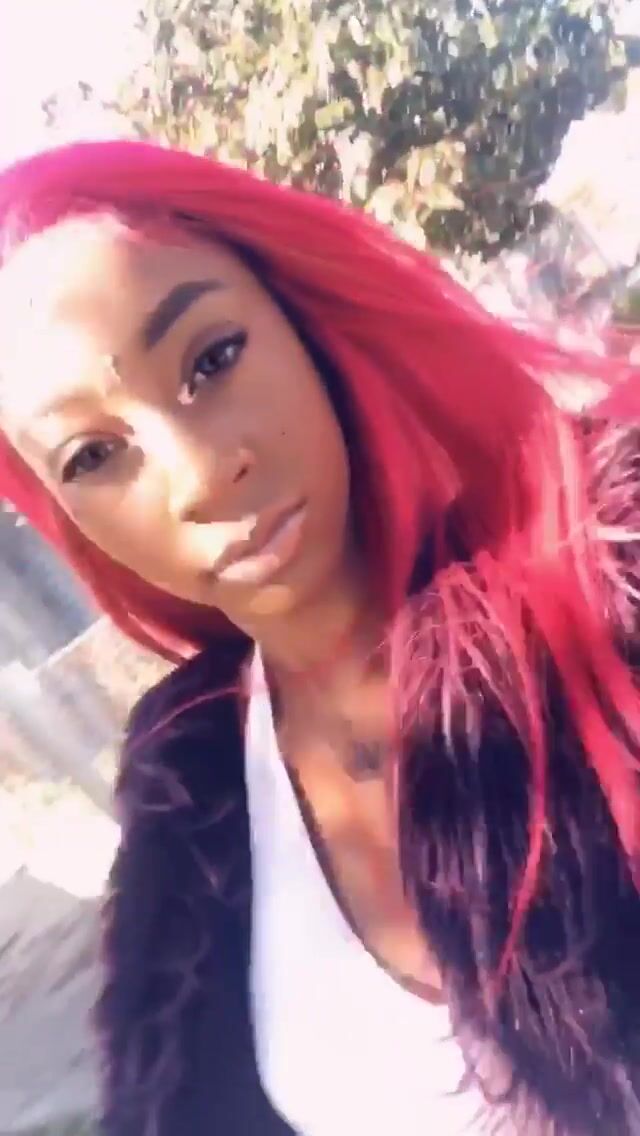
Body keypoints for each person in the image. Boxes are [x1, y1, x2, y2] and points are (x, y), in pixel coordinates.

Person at [0, 140, 639, 1136]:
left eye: (212, 359)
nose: (199, 474)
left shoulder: (602, 578)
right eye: (93, 455)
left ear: (297, 319)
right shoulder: (189, 784)